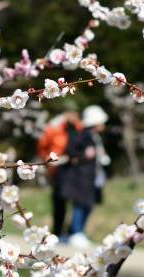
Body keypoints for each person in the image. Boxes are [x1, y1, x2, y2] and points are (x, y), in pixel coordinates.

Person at [59, 105, 109, 248]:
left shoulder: (94, 136)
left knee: (87, 205)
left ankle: (72, 233)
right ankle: (76, 232)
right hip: (81, 178)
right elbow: (70, 151)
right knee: (81, 205)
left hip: (91, 177)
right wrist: (84, 155)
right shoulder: (84, 134)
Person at [36, 110, 81, 239]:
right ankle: (57, 231)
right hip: (59, 169)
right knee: (59, 201)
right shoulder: (56, 129)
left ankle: (71, 231)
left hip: (75, 170)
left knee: (75, 202)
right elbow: (42, 144)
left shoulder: (79, 128)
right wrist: (47, 161)